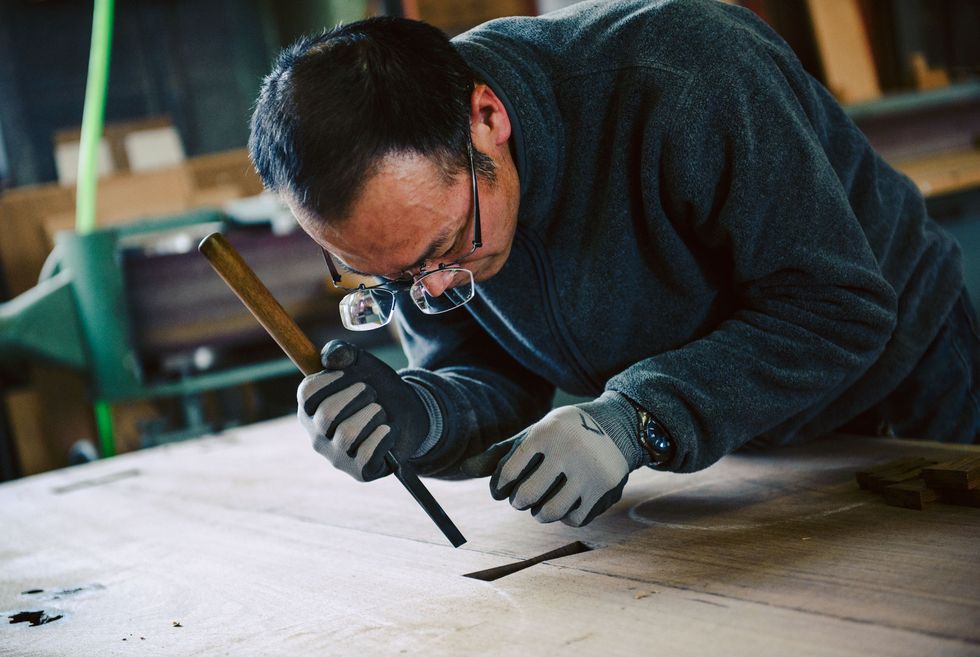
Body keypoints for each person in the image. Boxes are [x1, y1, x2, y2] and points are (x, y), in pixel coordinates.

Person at [249, 0, 980, 527]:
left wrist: (635, 416)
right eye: (390, 277)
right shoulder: (419, 220)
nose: (434, 289)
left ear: (487, 119)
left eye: (446, 249)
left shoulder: (688, 76)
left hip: (900, 388)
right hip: (736, 436)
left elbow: (838, 307)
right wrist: (424, 413)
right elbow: (493, 371)